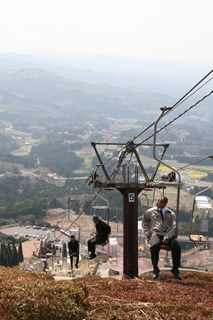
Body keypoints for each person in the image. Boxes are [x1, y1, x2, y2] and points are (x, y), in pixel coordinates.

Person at [142, 195, 182, 280]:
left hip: (169, 234)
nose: (156, 202)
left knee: (177, 246)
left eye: (159, 201)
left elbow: (173, 226)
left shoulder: (170, 213)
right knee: (154, 246)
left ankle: (175, 268)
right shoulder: (150, 211)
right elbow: (145, 221)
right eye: (157, 200)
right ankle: (155, 268)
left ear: (164, 203)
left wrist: (167, 237)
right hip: (157, 233)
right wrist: (147, 231)